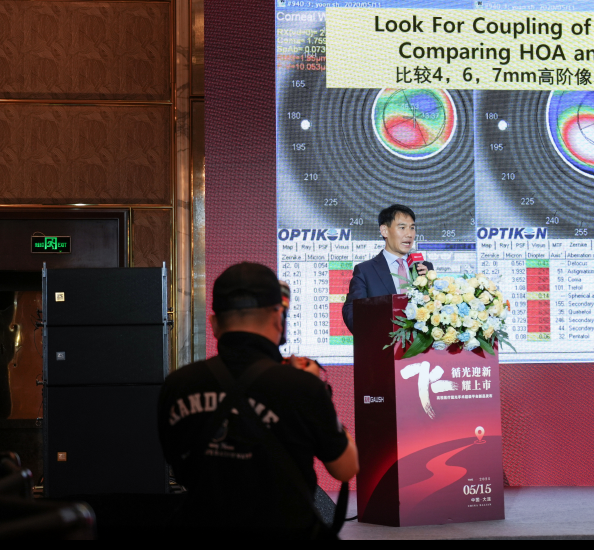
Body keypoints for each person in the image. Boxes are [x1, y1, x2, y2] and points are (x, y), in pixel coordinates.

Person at [158, 262, 358, 538]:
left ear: (214, 324)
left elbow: (179, 468)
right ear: (278, 319)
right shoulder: (303, 386)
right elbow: (347, 468)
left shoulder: (177, 384)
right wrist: (319, 392)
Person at [342, 204, 432, 333]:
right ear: (384, 230)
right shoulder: (366, 271)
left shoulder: (424, 268)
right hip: (382, 342)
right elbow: (351, 310)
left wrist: (431, 287)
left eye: (412, 228)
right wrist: (370, 333)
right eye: (402, 228)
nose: (409, 234)